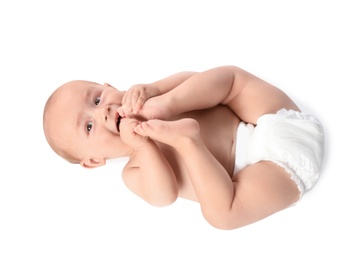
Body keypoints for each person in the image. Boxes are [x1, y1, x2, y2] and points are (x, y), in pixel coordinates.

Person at [43, 65, 324, 230]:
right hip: (272, 172)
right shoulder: (134, 170)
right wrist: (143, 147)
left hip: (275, 117)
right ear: (94, 160)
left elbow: (197, 78)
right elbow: (163, 195)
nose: (102, 112)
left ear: (109, 86)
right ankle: (188, 142)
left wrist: (162, 96)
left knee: (231, 79)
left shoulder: (151, 95)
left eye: (96, 99)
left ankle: (185, 136)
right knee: (221, 215)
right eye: (88, 127)